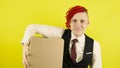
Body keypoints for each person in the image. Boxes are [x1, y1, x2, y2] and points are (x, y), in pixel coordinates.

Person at [21, 5, 102, 68]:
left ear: (88, 23)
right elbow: (32, 27)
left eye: (82, 21)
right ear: (69, 23)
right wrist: (25, 45)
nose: (78, 25)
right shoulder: (61, 33)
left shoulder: (95, 45)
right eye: (74, 20)